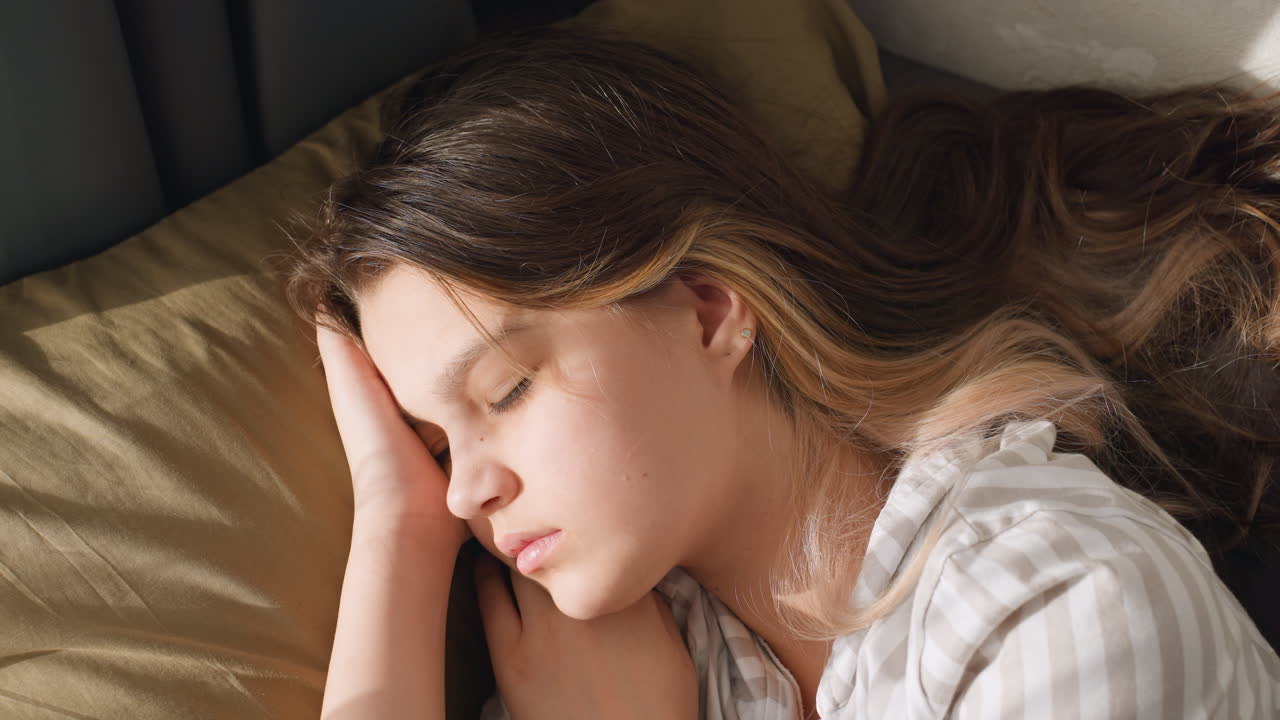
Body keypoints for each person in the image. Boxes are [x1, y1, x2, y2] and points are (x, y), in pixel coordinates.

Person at [281, 22, 1280, 720]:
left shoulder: (1056, 605)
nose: (465, 490)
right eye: (433, 444)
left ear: (708, 308)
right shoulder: (637, 654)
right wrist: (397, 534)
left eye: (504, 390)